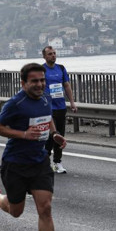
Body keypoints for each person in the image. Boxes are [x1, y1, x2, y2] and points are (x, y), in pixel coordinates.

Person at [0, 63, 67, 231]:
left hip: (39, 161)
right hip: (16, 163)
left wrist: (54, 134)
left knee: (45, 208)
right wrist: (24, 134)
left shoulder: (46, 98)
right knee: (15, 211)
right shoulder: (15, 104)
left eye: (42, 80)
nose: (40, 85)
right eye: (35, 81)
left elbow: (49, 117)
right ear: (23, 83)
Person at [42, 46, 77, 174]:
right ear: (44, 56)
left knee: (60, 135)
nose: (53, 56)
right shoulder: (42, 70)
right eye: (50, 54)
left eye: (54, 53)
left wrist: (72, 102)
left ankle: (57, 162)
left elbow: (66, 85)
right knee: (50, 136)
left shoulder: (61, 68)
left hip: (61, 107)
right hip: (48, 108)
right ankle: (45, 162)